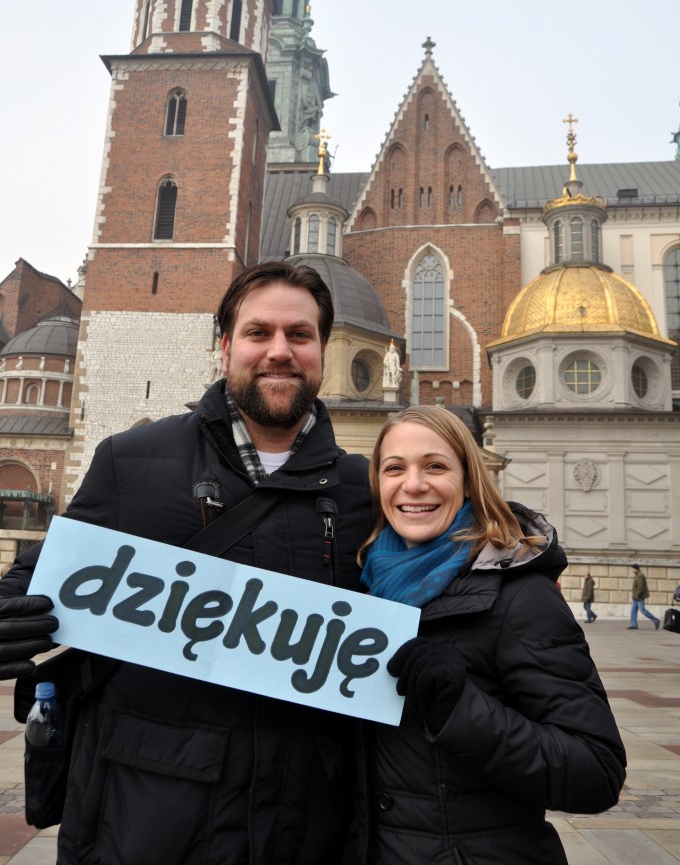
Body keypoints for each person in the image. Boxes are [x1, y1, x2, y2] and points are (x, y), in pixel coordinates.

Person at [0, 261, 373, 865]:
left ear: (321, 350)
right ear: (226, 347)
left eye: (299, 335)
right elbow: (42, 577)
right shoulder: (133, 460)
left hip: (305, 824)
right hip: (148, 819)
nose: (279, 350)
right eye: (258, 333)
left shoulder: (364, 490)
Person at [354, 405, 626, 865]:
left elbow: (595, 771)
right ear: (377, 484)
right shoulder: (362, 585)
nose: (413, 484)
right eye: (394, 468)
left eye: (435, 466)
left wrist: (460, 709)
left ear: (468, 480)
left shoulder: (521, 597)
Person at [628, 563, 660, 630]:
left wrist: (636, 595)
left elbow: (640, 588)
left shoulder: (640, 576)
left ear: (636, 569)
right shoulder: (637, 575)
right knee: (633, 611)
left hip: (639, 596)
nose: (631, 570)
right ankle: (634, 625)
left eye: (632, 569)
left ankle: (656, 620)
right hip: (636, 597)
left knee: (642, 610)